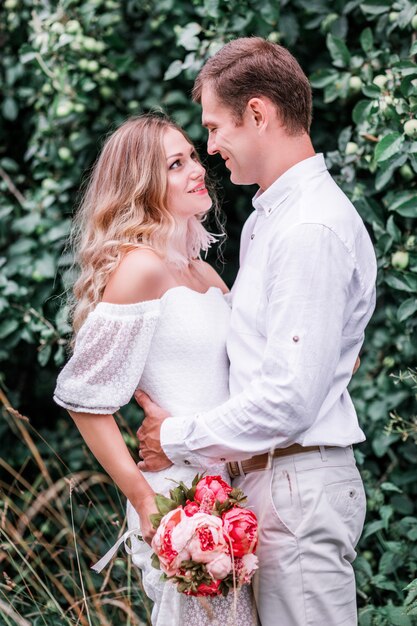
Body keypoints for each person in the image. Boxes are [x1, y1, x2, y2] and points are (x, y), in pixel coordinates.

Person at [136, 37, 378, 626]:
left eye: (216, 128)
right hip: (271, 486)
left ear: (259, 114)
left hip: (297, 484)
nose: (211, 148)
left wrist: (175, 438)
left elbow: (289, 398)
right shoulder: (271, 220)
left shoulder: (307, 228)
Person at [53, 115, 259, 626]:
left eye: (191, 155)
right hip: (182, 497)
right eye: (175, 164)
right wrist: (143, 497)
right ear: (142, 185)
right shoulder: (139, 269)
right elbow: (85, 399)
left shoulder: (205, 273)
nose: (197, 169)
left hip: (236, 486)